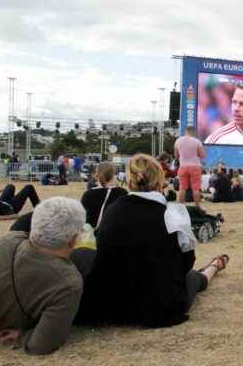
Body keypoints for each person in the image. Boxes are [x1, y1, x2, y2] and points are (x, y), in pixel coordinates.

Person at [75, 154, 229, 328]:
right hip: (156, 307)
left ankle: (210, 269)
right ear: (159, 181)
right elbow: (186, 263)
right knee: (192, 278)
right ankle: (212, 268)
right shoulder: (174, 214)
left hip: (114, 303)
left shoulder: (112, 211)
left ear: (130, 181)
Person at [0, 197, 86, 355]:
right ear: (74, 239)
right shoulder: (68, 281)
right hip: (3, 323)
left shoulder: (7, 240)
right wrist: (23, 337)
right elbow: (41, 344)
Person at [81, 162, 128, 228]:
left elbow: (83, 218)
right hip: (115, 232)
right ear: (113, 175)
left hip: (92, 234)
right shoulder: (123, 193)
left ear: (97, 175)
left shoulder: (88, 194)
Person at [174, 126, 206, 205]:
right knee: (195, 189)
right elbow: (202, 155)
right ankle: (197, 207)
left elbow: (176, 156)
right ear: (193, 132)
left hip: (183, 166)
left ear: (185, 131)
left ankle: (180, 208)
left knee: (182, 188)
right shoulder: (197, 141)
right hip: (195, 166)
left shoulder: (178, 141)